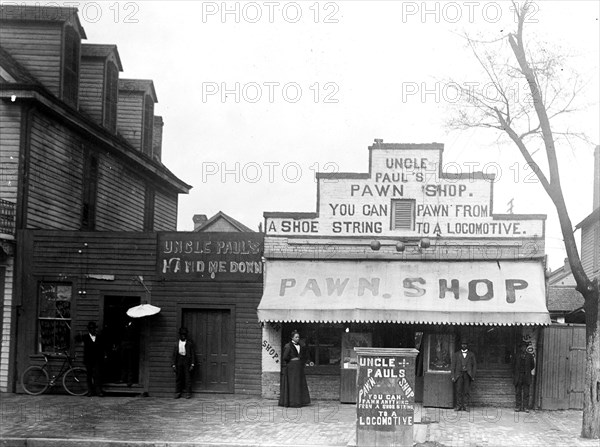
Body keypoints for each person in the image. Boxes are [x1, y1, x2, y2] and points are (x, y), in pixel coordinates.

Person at [278, 330, 311, 408]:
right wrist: (291, 363)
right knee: (292, 384)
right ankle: (291, 402)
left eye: (298, 337)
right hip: (291, 368)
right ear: (292, 337)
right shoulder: (288, 346)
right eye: (296, 337)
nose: (297, 338)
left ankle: (299, 401)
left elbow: (303, 356)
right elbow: (285, 357)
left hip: (299, 368)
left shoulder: (301, 346)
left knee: (298, 384)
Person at [451, 339, 476, 411]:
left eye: (465, 344)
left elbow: (474, 365)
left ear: (467, 345)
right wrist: (453, 376)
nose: (464, 345)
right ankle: (458, 406)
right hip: (458, 375)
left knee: (466, 391)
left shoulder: (471, 354)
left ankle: (466, 406)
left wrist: (473, 375)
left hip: (467, 375)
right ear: (461, 345)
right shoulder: (456, 354)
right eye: (462, 344)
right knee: (458, 391)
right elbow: (453, 366)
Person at [171, 327, 196, 399]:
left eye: (184, 335)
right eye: (182, 335)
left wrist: (192, 364)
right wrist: (173, 364)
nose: (183, 336)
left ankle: (188, 393)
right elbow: (174, 355)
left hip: (186, 361)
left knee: (187, 378)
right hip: (179, 361)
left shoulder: (189, 344)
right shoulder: (176, 344)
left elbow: (193, 354)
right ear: (180, 335)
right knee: (179, 377)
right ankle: (178, 392)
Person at [83, 321, 105, 397]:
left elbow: (102, 349)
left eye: (94, 328)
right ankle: (90, 391)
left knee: (97, 375)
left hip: (97, 359)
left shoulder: (99, 337)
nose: (92, 330)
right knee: (89, 376)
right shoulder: (85, 337)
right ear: (88, 329)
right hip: (88, 360)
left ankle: (98, 391)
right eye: (91, 328)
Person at [514, 340, 535, 412]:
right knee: (518, 392)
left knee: (526, 393)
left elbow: (532, 366)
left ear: (526, 347)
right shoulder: (516, 355)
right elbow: (513, 365)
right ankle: (518, 407)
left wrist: (527, 371)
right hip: (518, 376)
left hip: (526, 376)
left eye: (524, 347)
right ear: (520, 348)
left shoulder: (530, 356)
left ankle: (526, 407)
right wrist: (516, 373)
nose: (523, 348)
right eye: (522, 347)